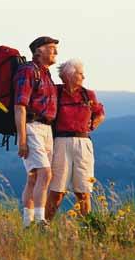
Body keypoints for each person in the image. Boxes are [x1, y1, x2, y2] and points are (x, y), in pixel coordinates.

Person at [45, 59, 105, 220]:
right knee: (57, 191)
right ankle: (44, 225)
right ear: (69, 75)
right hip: (60, 143)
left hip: (83, 142)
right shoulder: (55, 92)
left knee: (84, 191)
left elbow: (100, 113)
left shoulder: (88, 94)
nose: (83, 77)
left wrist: (91, 126)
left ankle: (88, 228)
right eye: (80, 73)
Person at [14, 36, 59, 228]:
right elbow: (20, 105)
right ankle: (40, 222)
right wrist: (22, 139)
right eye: (51, 48)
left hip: (46, 129)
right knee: (45, 174)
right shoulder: (28, 71)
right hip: (32, 127)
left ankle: (27, 223)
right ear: (38, 51)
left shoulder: (46, 74)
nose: (55, 52)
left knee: (33, 177)